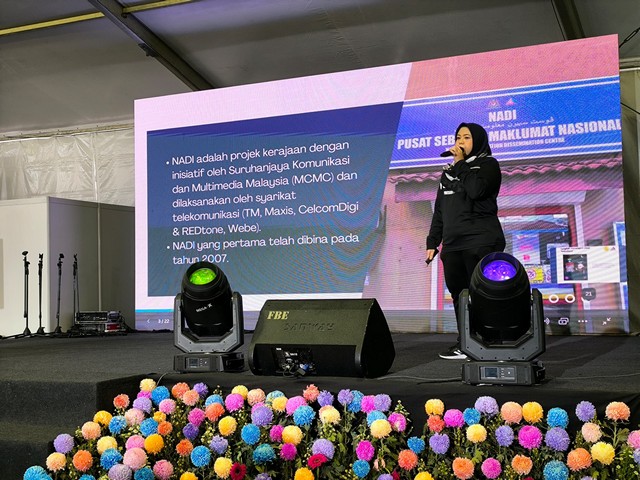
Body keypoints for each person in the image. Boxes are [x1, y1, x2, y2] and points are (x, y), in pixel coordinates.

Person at [426, 122, 506, 360]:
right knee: (459, 296)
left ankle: (490, 342)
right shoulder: (448, 172)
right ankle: (466, 343)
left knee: (483, 294)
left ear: (478, 140)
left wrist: (460, 163)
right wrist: (432, 242)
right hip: (453, 245)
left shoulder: (488, 165)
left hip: (481, 241)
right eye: (458, 137)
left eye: (466, 137)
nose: (460, 141)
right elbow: (440, 210)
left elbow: (476, 190)